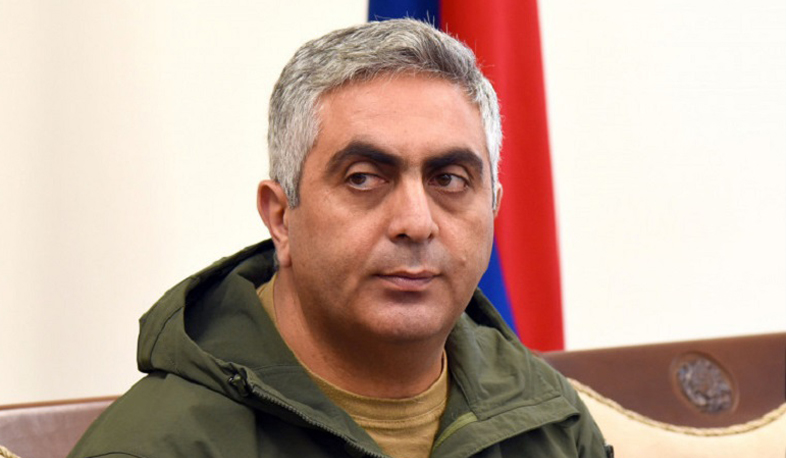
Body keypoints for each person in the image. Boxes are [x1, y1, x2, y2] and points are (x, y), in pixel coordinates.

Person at [69, 19, 611, 458]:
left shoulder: (550, 421)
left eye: (449, 179)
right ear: (281, 217)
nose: (416, 223)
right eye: (364, 179)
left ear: (492, 208)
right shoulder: (154, 448)